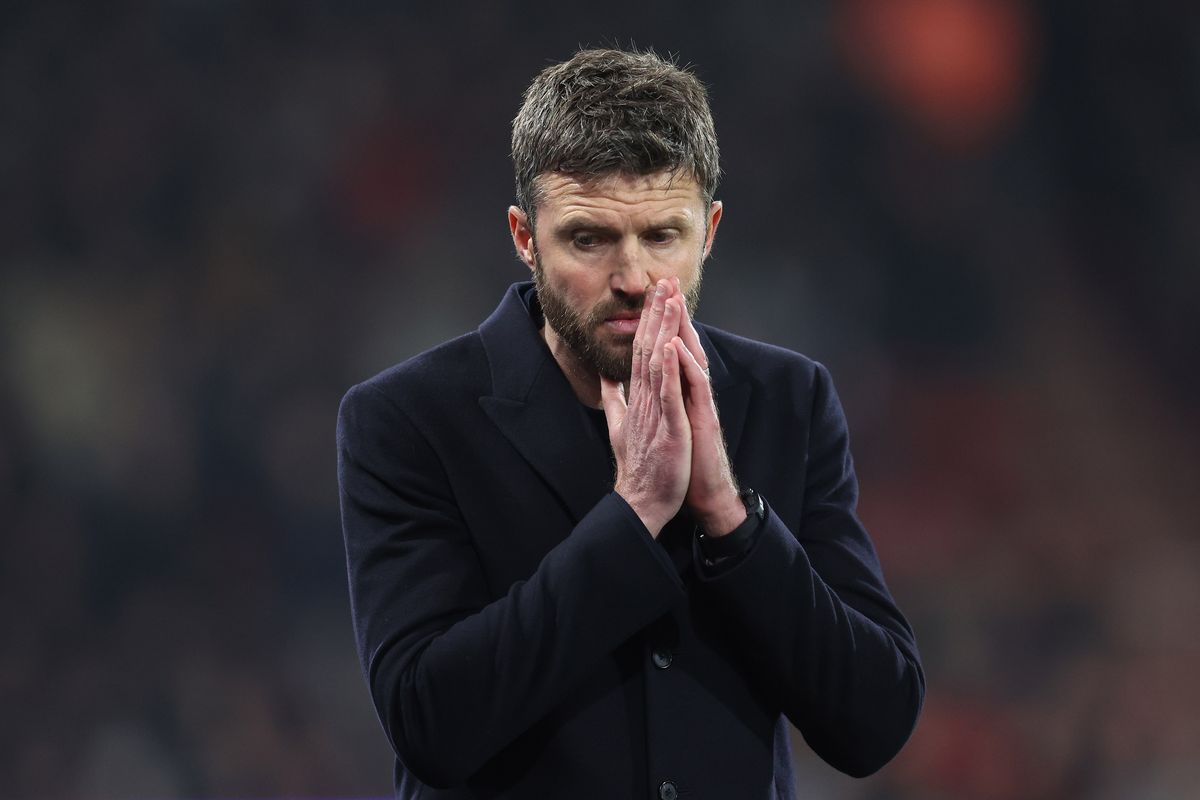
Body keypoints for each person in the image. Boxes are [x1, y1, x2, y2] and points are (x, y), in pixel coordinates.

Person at [337, 48, 923, 799]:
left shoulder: (787, 400)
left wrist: (734, 523)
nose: (634, 279)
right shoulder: (407, 420)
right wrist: (636, 510)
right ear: (524, 237)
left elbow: (875, 721)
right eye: (589, 238)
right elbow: (431, 724)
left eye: (662, 236)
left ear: (709, 231)